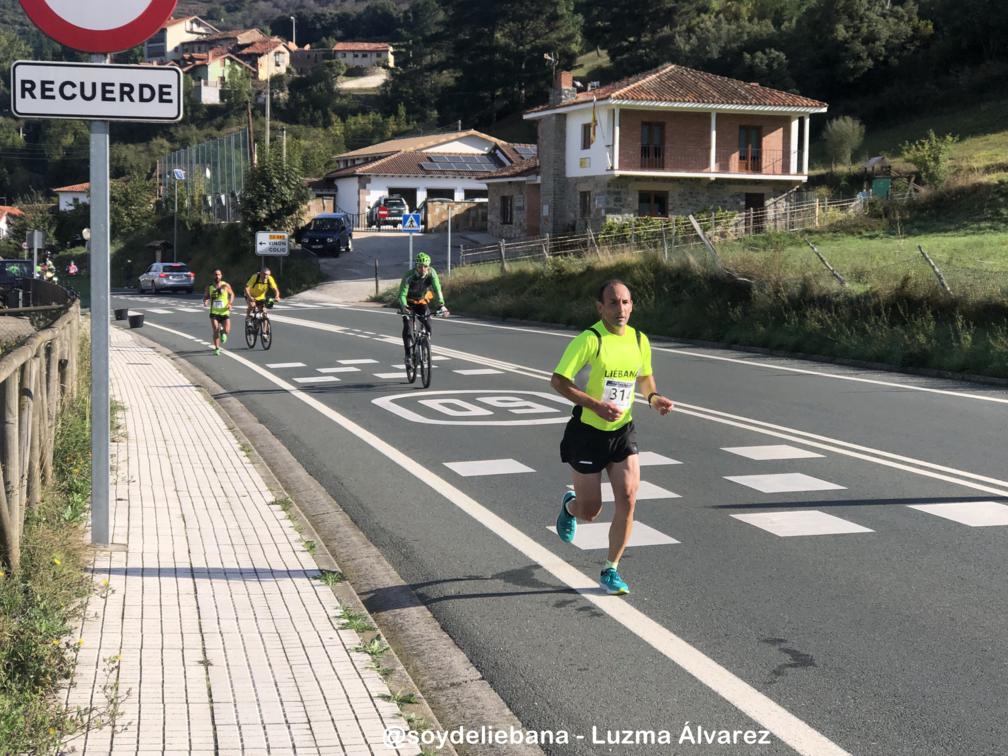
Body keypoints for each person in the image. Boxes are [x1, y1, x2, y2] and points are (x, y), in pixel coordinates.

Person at [550, 280, 674, 595]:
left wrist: (653, 397)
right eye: (613, 303)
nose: (621, 309)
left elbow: (644, 377)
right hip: (587, 433)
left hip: (622, 431)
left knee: (629, 499)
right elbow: (559, 381)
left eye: (626, 302)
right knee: (590, 511)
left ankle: (611, 569)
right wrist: (595, 405)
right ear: (600, 307)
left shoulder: (639, 339)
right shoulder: (589, 340)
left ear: (632, 305)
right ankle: (570, 507)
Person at [397, 252, 448, 367]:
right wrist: (404, 307)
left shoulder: (431, 273)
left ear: (428, 266)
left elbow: (437, 289)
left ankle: (425, 346)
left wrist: (442, 305)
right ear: (416, 266)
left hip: (421, 302)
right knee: (408, 328)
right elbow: (402, 294)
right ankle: (408, 355)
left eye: (425, 266)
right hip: (408, 303)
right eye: (420, 266)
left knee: (428, 323)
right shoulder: (409, 275)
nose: (423, 269)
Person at [202, 269, 235, 356]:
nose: (217, 276)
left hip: (224, 312)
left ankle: (223, 332)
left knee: (227, 331)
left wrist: (230, 303)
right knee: (216, 330)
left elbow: (232, 294)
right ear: (213, 276)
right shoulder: (209, 287)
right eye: (215, 275)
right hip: (214, 312)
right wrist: (205, 301)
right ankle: (217, 348)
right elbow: (206, 296)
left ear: (221, 276)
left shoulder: (225, 285)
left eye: (219, 274)